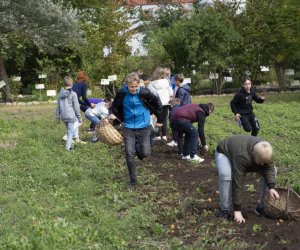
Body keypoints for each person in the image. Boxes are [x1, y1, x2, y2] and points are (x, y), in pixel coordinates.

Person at [112, 72, 163, 185]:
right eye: (131, 87)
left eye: (136, 86)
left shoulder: (144, 92)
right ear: (126, 85)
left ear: (139, 84)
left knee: (145, 153)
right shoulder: (122, 93)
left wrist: (159, 120)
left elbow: (158, 103)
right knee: (129, 154)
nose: (134, 89)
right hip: (128, 127)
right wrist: (113, 116)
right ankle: (133, 180)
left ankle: (139, 149)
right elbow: (114, 106)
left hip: (144, 127)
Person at [215, 135, 280, 223]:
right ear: (253, 155)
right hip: (225, 151)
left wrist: (271, 187)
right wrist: (237, 210)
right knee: (225, 174)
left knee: (273, 170)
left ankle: (262, 207)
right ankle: (225, 210)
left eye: (264, 162)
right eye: (260, 162)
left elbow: (269, 169)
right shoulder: (242, 157)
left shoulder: (265, 151)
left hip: (246, 154)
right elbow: (238, 182)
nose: (262, 165)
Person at [56, 76, 82, 151]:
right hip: (71, 116)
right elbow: (76, 107)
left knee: (69, 130)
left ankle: (71, 145)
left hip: (63, 116)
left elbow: (58, 107)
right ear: (72, 84)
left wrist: (58, 118)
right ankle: (68, 149)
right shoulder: (73, 94)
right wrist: (79, 118)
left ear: (64, 84)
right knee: (70, 132)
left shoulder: (60, 95)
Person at [148, 66, 173, 141]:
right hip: (165, 103)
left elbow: (150, 94)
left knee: (157, 119)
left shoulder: (151, 84)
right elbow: (171, 93)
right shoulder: (167, 82)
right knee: (164, 119)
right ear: (163, 74)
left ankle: (158, 135)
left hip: (156, 103)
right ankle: (164, 135)